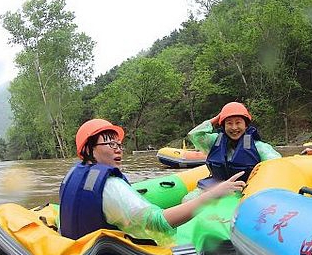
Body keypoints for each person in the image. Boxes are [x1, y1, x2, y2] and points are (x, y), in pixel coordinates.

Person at [58, 118, 245, 246]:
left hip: (82, 251)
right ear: (90, 149)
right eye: (110, 144)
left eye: (119, 145)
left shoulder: (73, 174)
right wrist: (212, 195)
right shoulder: (111, 186)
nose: (118, 150)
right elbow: (159, 223)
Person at [187, 101, 281, 189]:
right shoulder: (214, 141)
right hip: (218, 188)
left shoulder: (260, 147)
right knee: (187, 199)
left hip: (245, 190)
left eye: (238, 122)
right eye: (229, 123)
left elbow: (277, 165)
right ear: (223, 126)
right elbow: (194, 135)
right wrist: (217, 119)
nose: (234, 128)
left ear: (246, 125)